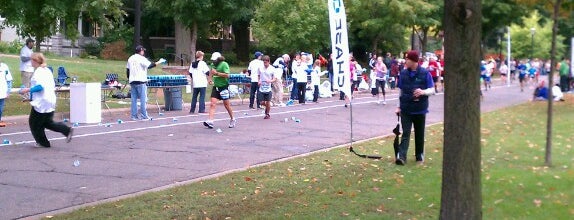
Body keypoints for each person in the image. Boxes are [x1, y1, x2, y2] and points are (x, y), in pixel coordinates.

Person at [18, 53, 73, 148]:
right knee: (47, 122)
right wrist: (30, 97)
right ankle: (66, 130)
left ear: (35, 61)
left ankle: (43, 143)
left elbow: (40, 87)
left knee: (34, 123)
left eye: (32, 60)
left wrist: (27, 90)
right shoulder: (47, 70)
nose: (30, 61)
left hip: (42, 102)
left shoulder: (39, 72)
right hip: (49, 100)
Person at [394, 50, 435, 165]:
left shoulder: (424, 73)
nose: (405, 61)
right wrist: (398, 106)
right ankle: (401, 157)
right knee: (405, 132)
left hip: (420, 109)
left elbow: (432, 90)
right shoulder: (403, 73)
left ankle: (419, 157)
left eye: (407, 59)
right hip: (406, 108)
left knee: (419, 133)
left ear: (414, 61)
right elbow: (400, 91)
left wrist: (423, 92)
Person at [126, 45, 163, 120]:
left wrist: (129, 78)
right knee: (143, 99)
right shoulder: (142, 58)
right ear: (141, 51)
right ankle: (143, 115)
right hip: (141, 81)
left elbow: (128, 70)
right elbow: (150, 65)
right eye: (143, 51)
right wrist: (159, 62)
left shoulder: (130, 58)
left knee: (134, 99)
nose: (143, 52)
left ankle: (134, 115)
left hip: (132, 81)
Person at [203, 52, 236, 129]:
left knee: (226, 105)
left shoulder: (224, 64)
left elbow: (227, 75)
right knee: (212, 103)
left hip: (223, 87)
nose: (213, 61)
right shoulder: (212, 65)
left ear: (219, 59)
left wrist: (217, 73)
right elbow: (211, 72)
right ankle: (210, 121)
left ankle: (232, 118)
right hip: (216, 87)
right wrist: (210, 79)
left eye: (215, 60)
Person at [0, 59, 13, 127]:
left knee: (0, 110)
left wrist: (8, 91)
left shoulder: (4, 67)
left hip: (2, 92)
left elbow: (9, 80)